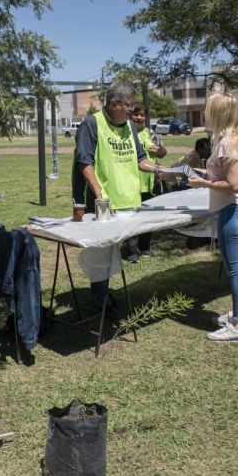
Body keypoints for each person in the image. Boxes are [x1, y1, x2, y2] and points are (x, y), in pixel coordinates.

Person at [72, 82, 171, 309]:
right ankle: (100, 298)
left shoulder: (129, 127)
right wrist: (99, 195)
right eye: (127, 106)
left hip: (129, 201)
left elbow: (141, 161)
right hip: (104, 203)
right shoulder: (91, 124)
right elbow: (84, 163)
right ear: (114, 103)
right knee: (101, 251)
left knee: (114, 251)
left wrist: (161, 170)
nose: (131, 111)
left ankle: (104, 294)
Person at [187, 93, 238, 342]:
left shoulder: (227, 143)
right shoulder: (232, 140)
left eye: (208, 109)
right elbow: (224, 175)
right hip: (236, 209)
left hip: (232, 210)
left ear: (216, 113)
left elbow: (233, 184)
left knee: (235, 269)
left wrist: (202, 183)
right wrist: (202, 175)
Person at [126, 102, 167, 262]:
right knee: (132, 216)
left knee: (148, 216)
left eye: (142, 115)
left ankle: (145, 246)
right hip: (131, 182)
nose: (139, 118)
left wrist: (160, 151)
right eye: (136, 114)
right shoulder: (126, 133)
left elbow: (163, 152)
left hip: (151, 184)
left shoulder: (151, 133)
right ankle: (132, 250)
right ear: (130, 116)